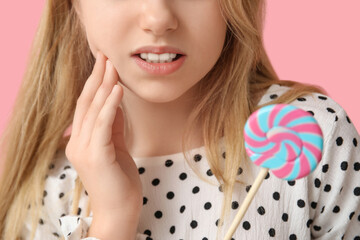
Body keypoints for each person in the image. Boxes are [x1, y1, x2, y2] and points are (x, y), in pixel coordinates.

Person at [0, 0, 359, 239]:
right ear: (74, 6)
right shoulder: (49, 188)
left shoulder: (309, 137)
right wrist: (113, 220)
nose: (158, 19)